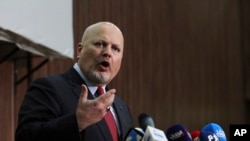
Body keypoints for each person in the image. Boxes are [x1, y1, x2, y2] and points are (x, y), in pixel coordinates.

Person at [15, 21, 134, 141]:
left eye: (115, 49)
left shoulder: (122, 107)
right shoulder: (49, 88)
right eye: (100, 44)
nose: (108, 53)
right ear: (79, 50)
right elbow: (25, 137)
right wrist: (77, 121)